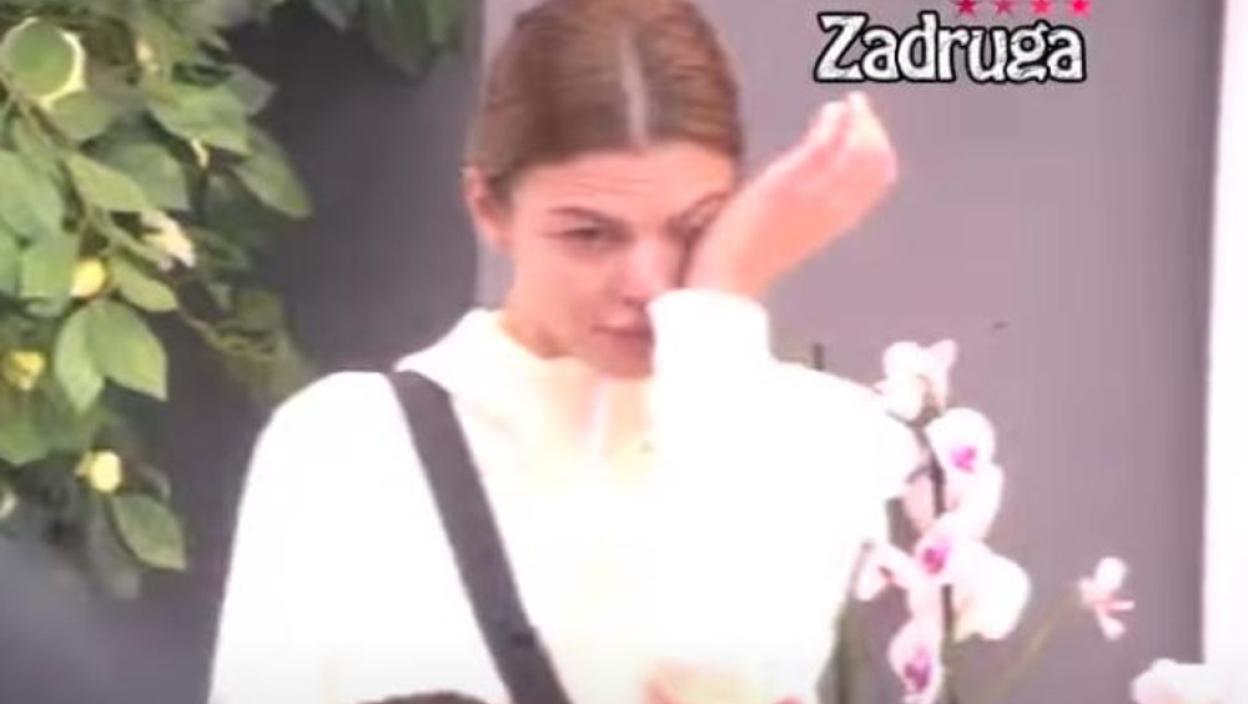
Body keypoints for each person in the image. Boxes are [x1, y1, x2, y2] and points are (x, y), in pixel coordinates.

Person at [207, 0, 915, 702]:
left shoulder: (814, 436)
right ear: (490, 209)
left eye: (695, 229)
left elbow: (713, 681)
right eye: (589, 235)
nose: (647, 284)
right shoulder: (348, 445)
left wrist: (719, 304)